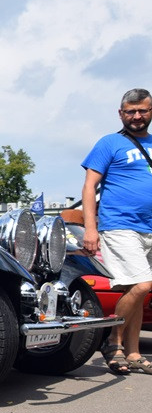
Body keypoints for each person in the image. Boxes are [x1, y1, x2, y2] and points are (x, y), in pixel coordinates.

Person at [81, 87, 152, 375]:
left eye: (142, 110)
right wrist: (90, 228)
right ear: (120, 113)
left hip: (149, 229)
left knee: (138, 290)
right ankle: (113, 341)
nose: (137, 116)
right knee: (143, 285)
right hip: (121, 224)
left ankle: (133, 353)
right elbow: (88, 187)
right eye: (130, 111)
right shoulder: (109, 143)